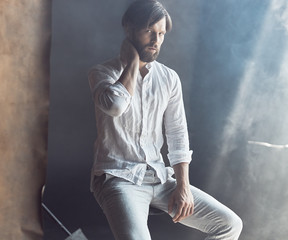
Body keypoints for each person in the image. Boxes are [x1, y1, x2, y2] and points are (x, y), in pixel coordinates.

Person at [88, 0, 243, 239]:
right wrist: (131, 63)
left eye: (161, 33)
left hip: (160, 178)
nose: (156, 40)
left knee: (230, 224)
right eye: (149, 31)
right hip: (118, 178)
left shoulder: (169, 78)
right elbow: (116, 106)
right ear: (129, 29)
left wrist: (183, 186)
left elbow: (177, 134)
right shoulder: (102, 72)